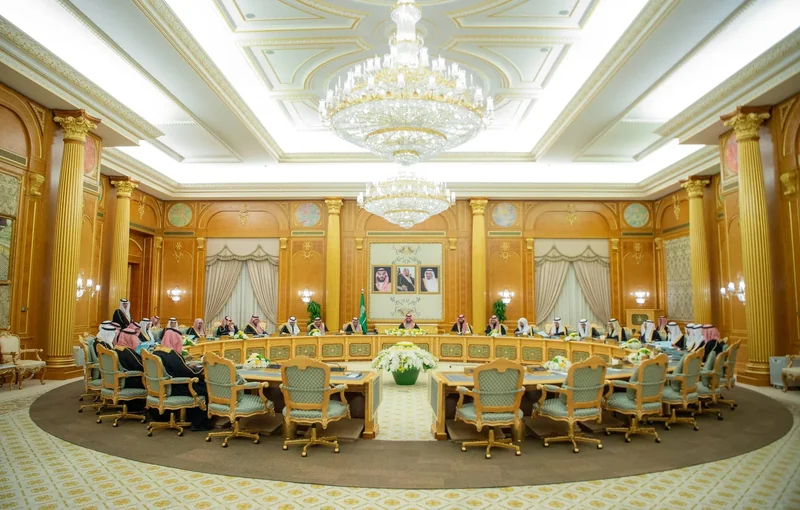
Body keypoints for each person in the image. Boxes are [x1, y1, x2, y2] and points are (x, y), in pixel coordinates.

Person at [152, 333, 213, 431]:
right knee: (206, 386)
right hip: (174, 388)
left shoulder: (156, 352)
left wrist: (187, 366)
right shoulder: (172, 354)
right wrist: (202, 369)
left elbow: (177, 369)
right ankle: (198, 423)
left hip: (161, 388)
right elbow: (189, 373)